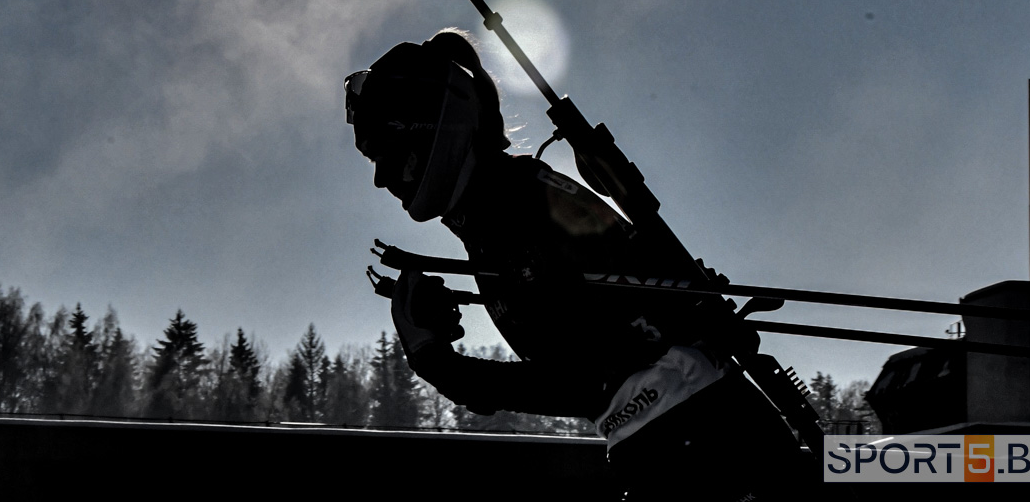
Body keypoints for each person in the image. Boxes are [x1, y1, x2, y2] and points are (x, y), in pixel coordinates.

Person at [345, 29, 814, 500]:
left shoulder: (515, 208)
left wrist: (440, 364)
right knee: (833, 481)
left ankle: (855, 472)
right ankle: (853, 471)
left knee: (832, 487)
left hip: (699, 443)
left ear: (433, 129)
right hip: (690, 437)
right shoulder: (497, 211)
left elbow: (582, 382)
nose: (382, 179)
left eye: (387, 155)